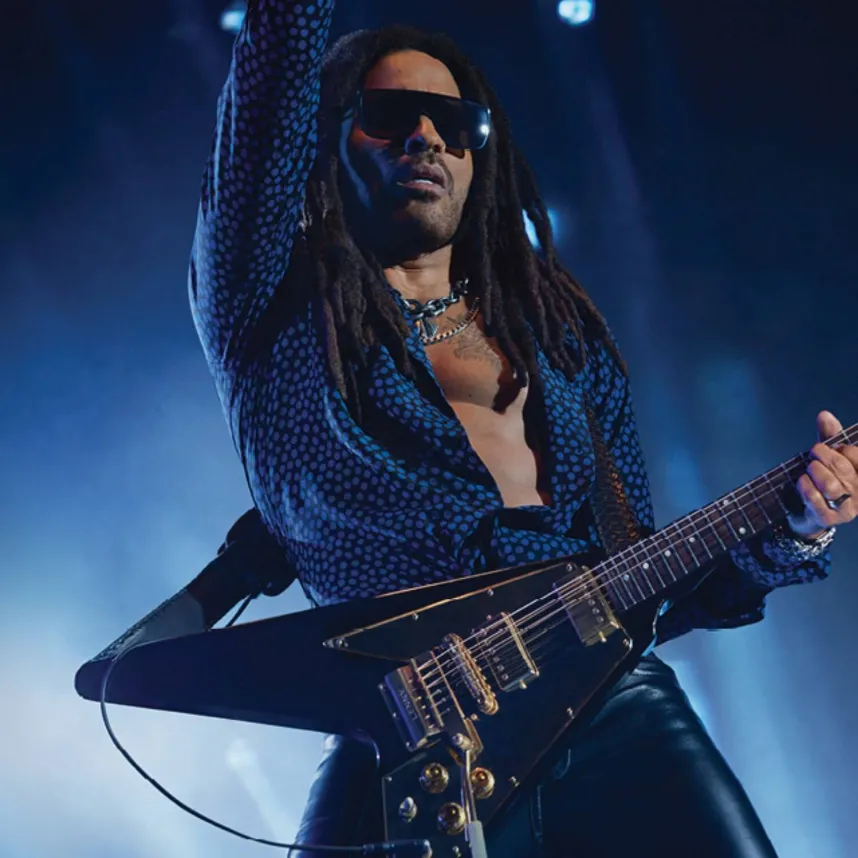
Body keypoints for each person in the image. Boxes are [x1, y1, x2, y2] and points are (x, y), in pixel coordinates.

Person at [188, 2, 858, 855]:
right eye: (390, 114)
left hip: (618, 719)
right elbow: (265, 97)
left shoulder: (559, 335)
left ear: (482, 154)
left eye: (456, 123)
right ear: (328, 139)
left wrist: (796, 529)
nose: (426, 137)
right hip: (405, 751)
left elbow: (645, 589)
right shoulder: (272, 314)